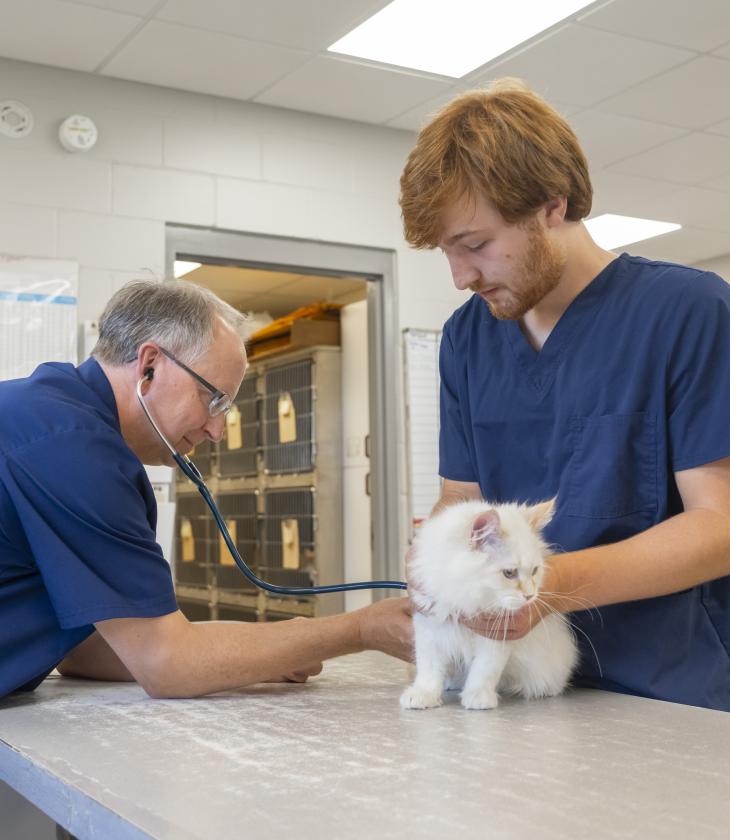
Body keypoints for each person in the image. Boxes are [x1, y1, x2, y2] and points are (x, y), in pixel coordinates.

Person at [399, 78, 730, 710]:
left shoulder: (688, 312)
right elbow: (459, 501)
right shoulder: (468, 339)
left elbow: (720, 524)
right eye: (447, 252)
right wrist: (434, 568)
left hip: (667, 691)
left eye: (475, 246)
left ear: (553, 206)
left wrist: (541, 588)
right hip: (515, 690)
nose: (461, 276)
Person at [0, 280, 412, 700]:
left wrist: (271, 652)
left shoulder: (47, 414)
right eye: (212, 399)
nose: (216, 431)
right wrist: (361, 628)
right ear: (149, 366)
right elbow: (166, 664)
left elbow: (83, 652)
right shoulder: (76, 451)